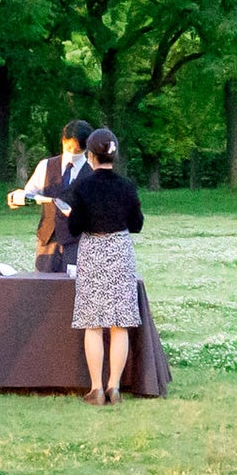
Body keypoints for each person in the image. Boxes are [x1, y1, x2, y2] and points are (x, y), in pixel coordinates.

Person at [62, 126, 148, 406]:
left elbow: (74, 227)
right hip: (120, 251)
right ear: (115, 154)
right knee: (119, 323)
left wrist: (73, 214)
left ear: (90, 156)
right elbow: (136, 224)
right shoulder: (127, 186)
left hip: (93, 252)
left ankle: (96, 388)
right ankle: (115, 386)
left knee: (93, 323)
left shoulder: (83, 187)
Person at [7, 119, 89, 274]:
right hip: (47, 240)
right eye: (69, 148)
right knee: (43, 289)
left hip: (78, 243)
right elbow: (30, 193)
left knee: (72, 292)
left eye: (77, 151)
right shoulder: (46, 165)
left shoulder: (93, 173)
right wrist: (17, 199)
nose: (72, 153)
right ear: (63, 140)